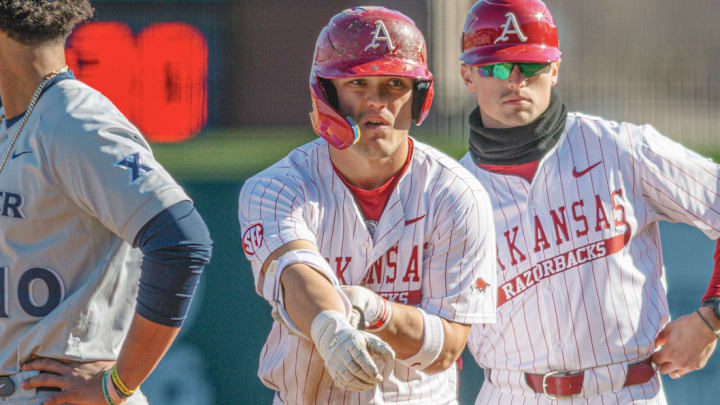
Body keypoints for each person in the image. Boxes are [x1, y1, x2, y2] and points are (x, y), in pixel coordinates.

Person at [457, 0, 720, 403]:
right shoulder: (450, 192)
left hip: (625, 391)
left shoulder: (622, 149)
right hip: (511, 392)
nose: (514, 80)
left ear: (555, 69)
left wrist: (711, 317)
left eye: (530, 66)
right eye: (494, 67)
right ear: (467, 75)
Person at [238, 6, 497, 405]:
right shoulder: (275, 187)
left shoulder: (456, 193)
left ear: (419, 96)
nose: (377, 102)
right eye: (358, 82)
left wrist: (376, 313)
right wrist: (331, 329)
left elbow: (447, 347)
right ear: (326, 93)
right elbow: (296, 276)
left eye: (395, 83)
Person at [0, 1, 212, 404]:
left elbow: (183, 241)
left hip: (55, 392)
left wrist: (117, 385)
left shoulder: (75, 120)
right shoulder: (15, 122)